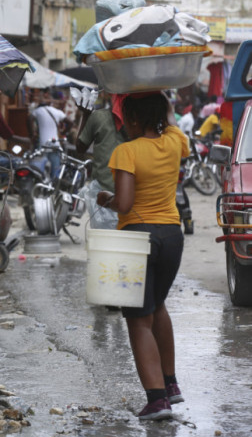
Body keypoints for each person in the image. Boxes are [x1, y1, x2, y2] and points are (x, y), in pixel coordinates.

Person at [96, 92, 189, 421]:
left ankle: (156, 399)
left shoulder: (126, 151)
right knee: (158, 305)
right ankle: (170, 383)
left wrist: (105, 198)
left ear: (133, 119)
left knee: (138, 320)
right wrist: (160, 92)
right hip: (171, 236)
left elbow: (123, 204)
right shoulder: (176, 140)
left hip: (137, 238)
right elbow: (172, 116)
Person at [76, 92, 127, 228]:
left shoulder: (98, 117)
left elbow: (80, 147)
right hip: (119, 196)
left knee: (106, 243)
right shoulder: (137, 120)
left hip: (105, 196)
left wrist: (86, 115)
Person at [29, 88, 66, 179]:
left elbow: (29, 119)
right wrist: (64, 132)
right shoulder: (57, 112)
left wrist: (32, 134)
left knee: (39, 170)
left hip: (42, 145)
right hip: (55, 145)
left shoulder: (38, 111)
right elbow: (70, 122)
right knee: (55, 172)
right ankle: (52, 189)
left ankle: (41, 187)